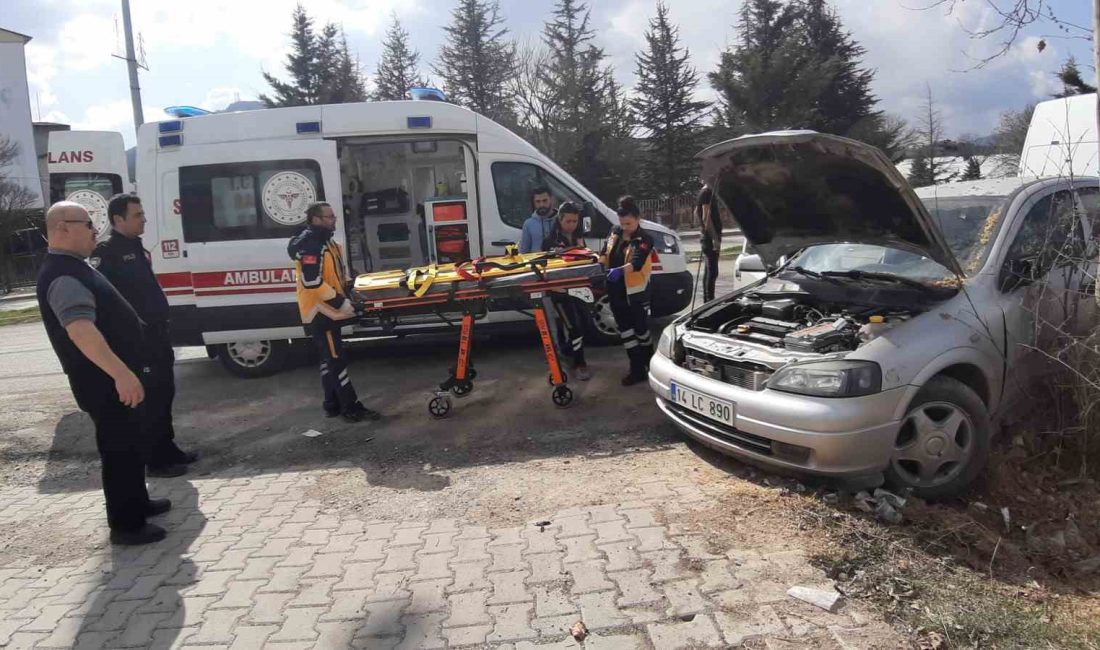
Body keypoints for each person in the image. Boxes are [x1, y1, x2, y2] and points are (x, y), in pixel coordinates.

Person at [36, 202, 170, 546]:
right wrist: (121, 374)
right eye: (87, 223)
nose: (96, 230)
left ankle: (137, 502)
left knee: (130, 442)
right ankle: (127, 525)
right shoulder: (63, 275)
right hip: (103, 381)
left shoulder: (75, 266)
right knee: (119, 448)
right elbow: (80, 330)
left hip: (113, 378)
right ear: (62, 228)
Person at [93, 193, 197, 478]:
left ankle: (167, 448)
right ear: (118, 220)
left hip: (158, 335)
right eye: (138, 215)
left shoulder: (136, 246)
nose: (144, 220)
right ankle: (155, 460)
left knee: (165, 392)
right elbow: (107, 303)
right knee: (150, 398)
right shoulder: (107, 253)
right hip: (139, 341)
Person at [288, 201, 379, 423]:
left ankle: (331, 404)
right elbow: (312, 281)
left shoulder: (326, 242)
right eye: (329, 217)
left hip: (327, 310)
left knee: (329, 359)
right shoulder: (311, 244)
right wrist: (340, 302)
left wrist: (351, 290)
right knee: (336, 360)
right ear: (315, 219)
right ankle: (351, 407)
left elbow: (335, 274)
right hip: (321, 312)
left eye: (333, 216)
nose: (334, 220)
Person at [600, 196, 656, 386]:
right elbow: (604, 251)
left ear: (638, 219)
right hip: (616, 291)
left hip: (636, 293)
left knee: (641, 331)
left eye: (628, 223)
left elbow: (637, 263)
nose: (624, 227)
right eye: (621, 223)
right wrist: (598, 266)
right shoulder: (615, 231)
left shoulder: (645, 239)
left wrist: (619, 271)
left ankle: (652, 365)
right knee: (626, 331)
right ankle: (636, 369)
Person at [541, 201, 591, 381]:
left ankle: (566, 352)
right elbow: (546, 269)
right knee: (574, 327)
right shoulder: (550, 241)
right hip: (559, 291)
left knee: (585, 324)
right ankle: (579, 363)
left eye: (575, 221)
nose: (572, 225)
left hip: (579, 288)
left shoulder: (578, 236)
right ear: (560, 219)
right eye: (568, 221)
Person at [696, 183, 723, 302]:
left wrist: (702, 228)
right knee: (712, 272)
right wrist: (714, 238)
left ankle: (707, 301)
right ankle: (709, 302)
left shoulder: (704, 192)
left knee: (709, 271)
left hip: (707, 236)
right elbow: (706, 216)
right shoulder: (707, 192)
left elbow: (696, 213)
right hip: (710, 238)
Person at [519, 187, 556, 253]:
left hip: (560, 262)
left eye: (545, 201)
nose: (541, 205)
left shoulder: (561, 220)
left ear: (551, 200)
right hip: (537, 262)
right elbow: (524, 252)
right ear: (534, 203)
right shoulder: (528, 224)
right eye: (538, 201)